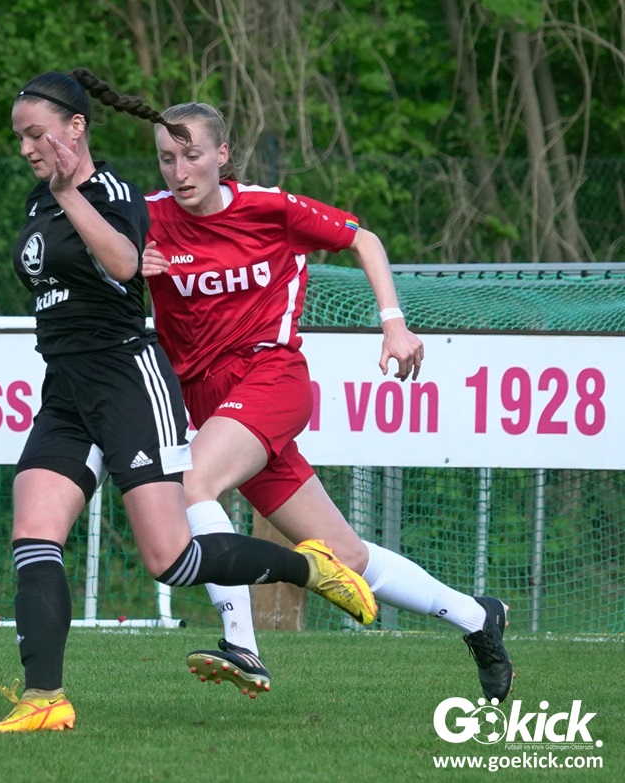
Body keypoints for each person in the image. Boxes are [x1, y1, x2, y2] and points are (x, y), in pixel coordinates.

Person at [0, 70, 379, 734]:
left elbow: (122, 263)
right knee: (34, 535)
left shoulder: (111, 193)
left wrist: (70, 195)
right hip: (66, 388)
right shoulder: (37, 201)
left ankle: (310, 567)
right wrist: (56, 198)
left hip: (127, 380)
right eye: (19, 136)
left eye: (35, 133)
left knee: (172, 559)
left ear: (75, 128)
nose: (25, 147)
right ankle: (44, 698)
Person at [140, 101, 514, 704]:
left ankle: (241, 644)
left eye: (192, 156)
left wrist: (393, 323)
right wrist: (129, 266)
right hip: (208, 403)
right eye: (166, 159)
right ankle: (478, 617)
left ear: (222, 154)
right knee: (347, 555)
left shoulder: (269, 208)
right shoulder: (146, 217)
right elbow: (89, 258)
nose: (179, 172)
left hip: (270, 377)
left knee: (193, 481)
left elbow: (364, 239)